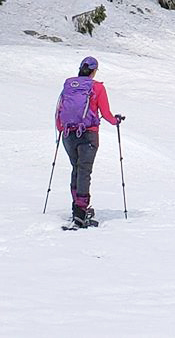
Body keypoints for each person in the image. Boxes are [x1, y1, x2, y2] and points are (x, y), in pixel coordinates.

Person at [54, 56, 123, 227]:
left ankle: (76, 208)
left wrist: (61, 129)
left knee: (76, 169)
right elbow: (106, 113)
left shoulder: (69, 85)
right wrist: (116, 121)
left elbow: (60, 108)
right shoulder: (97, 87)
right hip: (88, 134)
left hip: (68, 133)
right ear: (94, 71)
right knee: (84, 171)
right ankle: (81, 213)